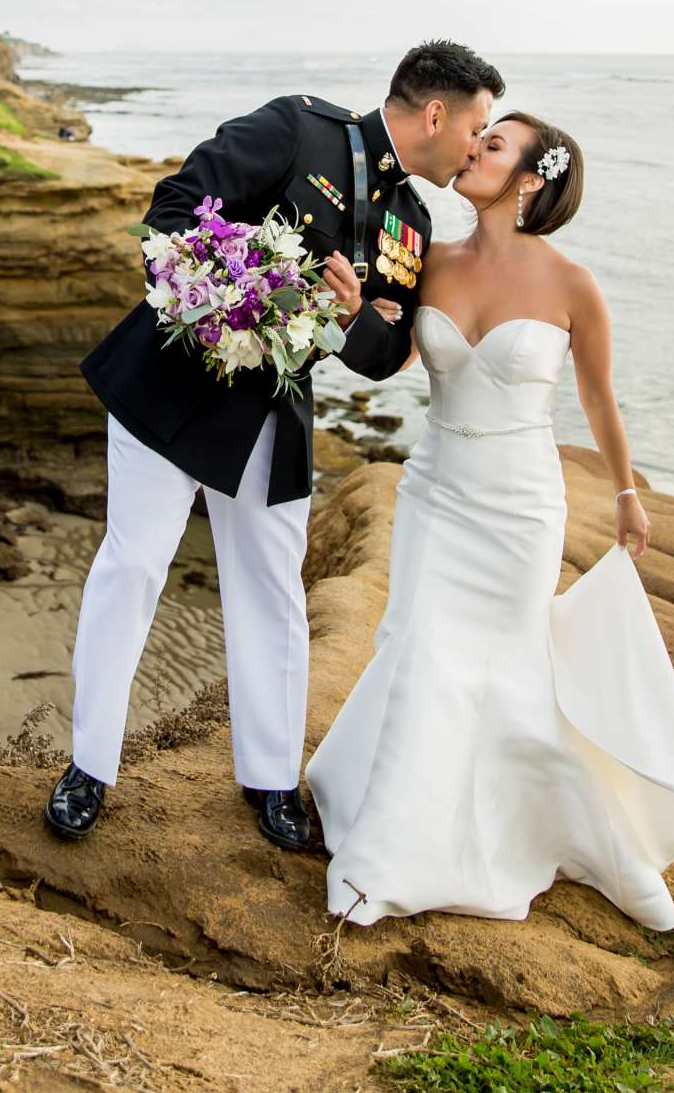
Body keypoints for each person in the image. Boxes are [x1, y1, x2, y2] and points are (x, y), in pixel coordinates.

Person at [48, 42, 507, 850]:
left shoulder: (415, 223)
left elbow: (378, 357)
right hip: (173, 383)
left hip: (276, 413)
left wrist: (348, 312)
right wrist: (269, 288)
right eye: (478, 126)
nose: (478, 145)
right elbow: (175, 211)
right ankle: (88, 768)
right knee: (136, 564)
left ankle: (270, 783)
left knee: (272, 591)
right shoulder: (298, 131)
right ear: (436, 114)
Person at [303, 112, 674, 929]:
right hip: (436, 488)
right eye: (478, 136)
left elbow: (598, 397)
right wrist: (347, 314)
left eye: (493, 145)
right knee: (423, 650)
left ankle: (514, 826)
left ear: (530, 179)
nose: (473, 148)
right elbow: (388, 355)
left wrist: (628, 493)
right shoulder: (428, 261)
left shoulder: (572, 285)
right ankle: (396, 844)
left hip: (521, 503)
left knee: (504, 666)